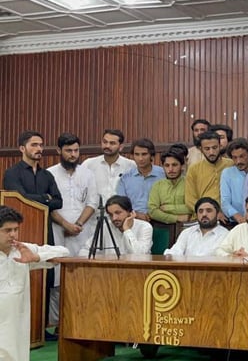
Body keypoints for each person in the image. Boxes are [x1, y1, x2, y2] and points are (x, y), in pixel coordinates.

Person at [0, 206, 69, 361]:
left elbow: (64, 252)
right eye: (7, 230)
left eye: (16, 229)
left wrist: (36, 258)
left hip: (18, 323)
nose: (13, 235)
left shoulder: (22, 250)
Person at [47, 133, 98, 327]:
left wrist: (77, 225)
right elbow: (48, 206)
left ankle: (81, 321)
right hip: (57, 230)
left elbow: (92, 202)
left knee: (82, 276)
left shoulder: (87, 174)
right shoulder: (49, 174)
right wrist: (65, 225)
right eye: (68, 151)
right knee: (57, 278)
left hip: (82, 231)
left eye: (76, 150)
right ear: (59, 151)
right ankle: (55, 325)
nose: (73, 154)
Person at [78, 195, 153, 256]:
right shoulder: (106, 227)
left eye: (118, 213)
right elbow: (85, 251)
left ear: (130, 212)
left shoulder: (145, 227)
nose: (114, 218)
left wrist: (127, 230)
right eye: (110, 215)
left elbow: (139, 255)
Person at [184, 130, 234, 218]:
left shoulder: (231, 165)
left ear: (220, 146)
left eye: (214, 148)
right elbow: (190, 200)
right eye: (207, 149)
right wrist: (209, 212)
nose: (211, 152)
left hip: (228, 216)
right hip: (202, 218)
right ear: (200, 149)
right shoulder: (194, 169)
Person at [82, 129, 137, 203]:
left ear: (121, 147)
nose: (107, 146)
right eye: (105, 142)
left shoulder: (131, 166)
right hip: (94, 212)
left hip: (121, 212)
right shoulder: (89, 164)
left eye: (112, 143)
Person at [116, 138, 165, 221]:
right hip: (134, 221)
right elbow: (121, 204)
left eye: (144, 154)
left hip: (161, 220)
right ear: (132, 156)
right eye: (137, 154)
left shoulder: (163, 174)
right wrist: (137, 215)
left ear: (152, 156)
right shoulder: (125, 178)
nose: (140, 158)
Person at [163, 197, 228, 256]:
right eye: (200, 211)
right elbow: (175, 252)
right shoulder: (187, 233)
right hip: (186, 268)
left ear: (218, 214)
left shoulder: (225, 235)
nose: (204, 214)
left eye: (209, 211)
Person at [147, 150, 191, 224]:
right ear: (163, 167)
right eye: (167, 165)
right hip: (163, 228)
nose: (170, 169)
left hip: (187, 228)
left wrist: (167, 208)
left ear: (182, 166)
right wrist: (177, 218)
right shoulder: (157, 185)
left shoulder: (190, 184)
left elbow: (192, 207)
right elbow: (152, 211)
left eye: (174, 165)